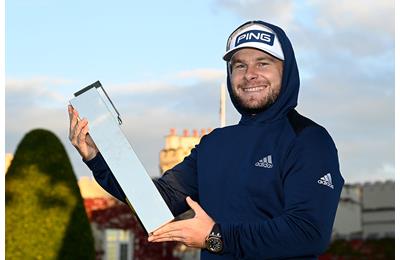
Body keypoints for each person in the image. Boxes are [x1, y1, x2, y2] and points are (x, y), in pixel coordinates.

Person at [69, 20, 344, 259]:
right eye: (239, 65)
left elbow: (308, 232)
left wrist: (215, 237)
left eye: (264, 63)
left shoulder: (309, 140)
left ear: (287, 71)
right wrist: (99, 157)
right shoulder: (214, 145)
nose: (250, 74)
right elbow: (156, 202)